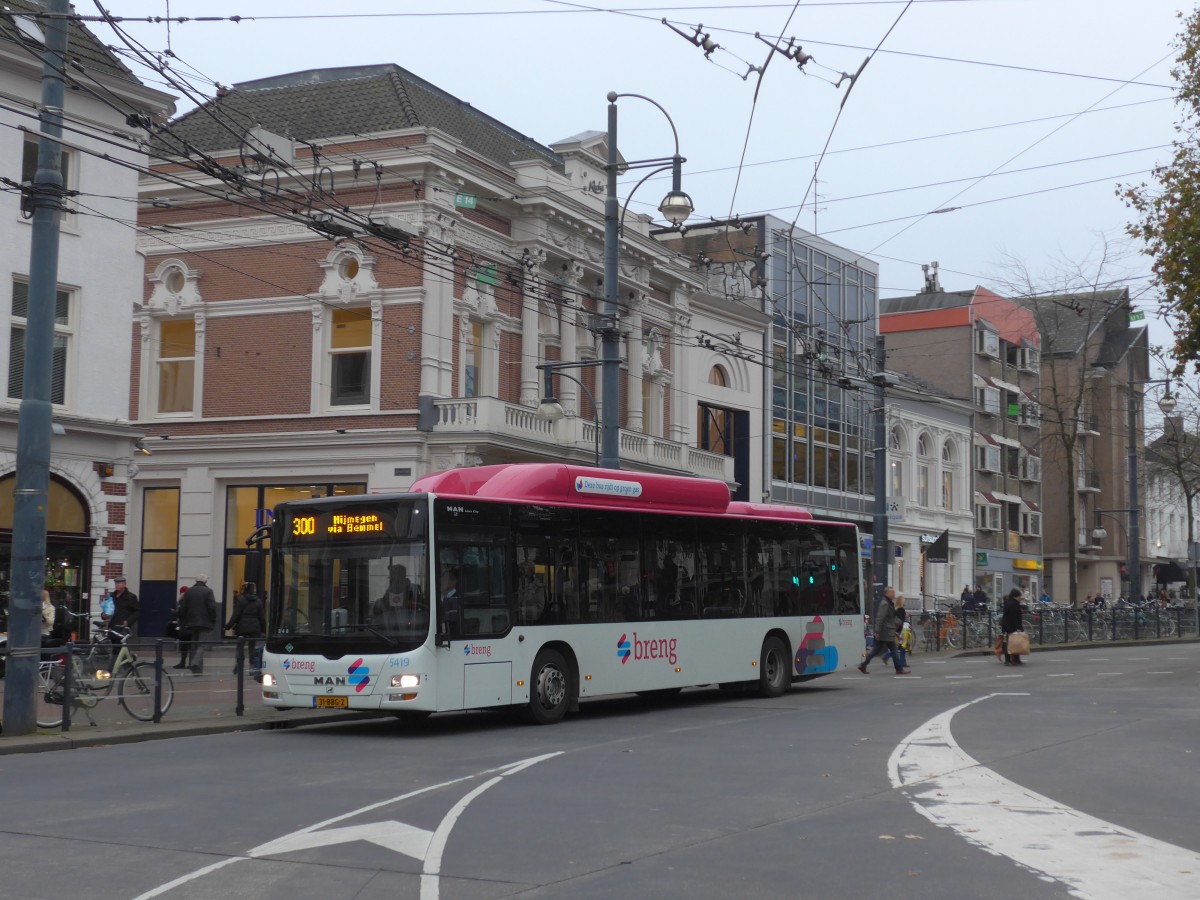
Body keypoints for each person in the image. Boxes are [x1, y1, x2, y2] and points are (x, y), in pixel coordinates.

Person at [858, 587, 911, 675]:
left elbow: (890, 618)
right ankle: (899, 669)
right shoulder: (885, 604)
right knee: (892, 650)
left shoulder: (889, 603)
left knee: (877, 650)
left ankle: (863, 665)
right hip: (885, 631)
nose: (893, 594)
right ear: (887, 593)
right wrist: (877, 631)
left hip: (886, 631)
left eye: (894, 592)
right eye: (892, 592)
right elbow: (880, 618)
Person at [176, 574, 217, 674]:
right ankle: (195, 663)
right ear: (205, 582)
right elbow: (212, 607)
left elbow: (183, 608)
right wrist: (213, 620)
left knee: (194, 645)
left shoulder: (189, 591)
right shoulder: (208, 591)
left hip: (191, 623)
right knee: (202, 645)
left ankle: (197, 670)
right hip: (205, 623)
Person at [225, 582, 267, 680]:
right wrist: (264, 630)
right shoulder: (258, 601)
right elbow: (262, 618)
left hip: (242, 627)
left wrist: (228, 626)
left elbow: (236, 615)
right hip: (254, 628)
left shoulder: (241, 600)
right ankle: (252, 667)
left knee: (240, 646)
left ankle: (238, 664)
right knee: (252, 647)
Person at [371, 563, 427, 631]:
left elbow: (420, 608)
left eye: (391, 575)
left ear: (398, 576)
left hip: (410, 631)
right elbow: (383, 606)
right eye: (390, 575)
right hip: (387, 633)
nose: (389, 577)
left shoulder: (414, 589)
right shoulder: (389, 590)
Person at [108, 575, 140, 641]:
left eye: (119, 583)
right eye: (116, 583)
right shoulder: (111, 596)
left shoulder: (131, 597)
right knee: (115, 648)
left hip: (123, 627)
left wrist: (128, 621)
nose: (117, 585)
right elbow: (107, 610)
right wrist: (104, 615)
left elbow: (138, 612)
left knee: (121, 647)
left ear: (124, 585)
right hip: (113, 627)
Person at [1002, 587, 1025, 666]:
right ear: (1015, 596)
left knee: (1009, 643)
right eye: (1019, 596)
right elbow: (1015, 617)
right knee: (1015, 643)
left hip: (1006, 625)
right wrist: (1019, 627)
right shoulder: (1015, 604)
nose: (1019, 598)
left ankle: (1008, 659)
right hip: (1012, 626)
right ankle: (1015, 659)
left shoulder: (1007, 602)